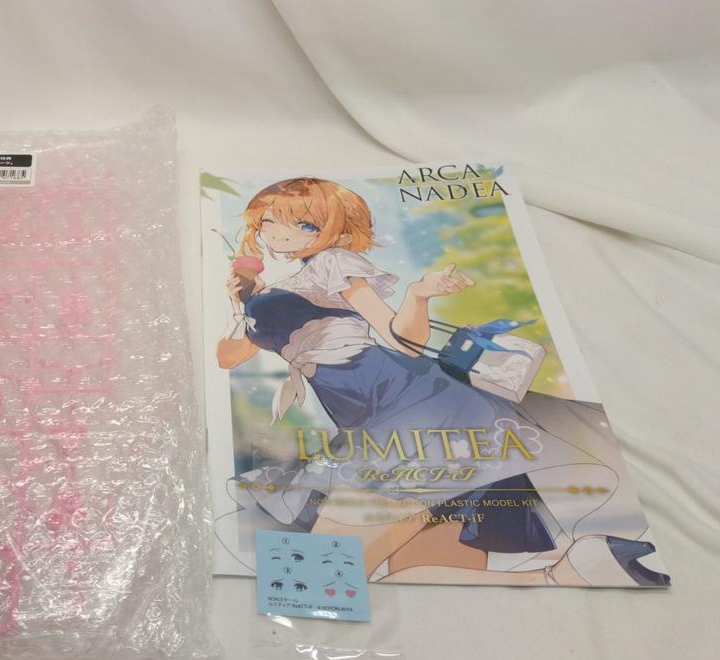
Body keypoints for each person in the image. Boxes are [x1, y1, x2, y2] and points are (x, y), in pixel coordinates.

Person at [218, 177, 667, 586]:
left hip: (412, 406)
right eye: (269, 222)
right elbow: (228, 356)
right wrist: (240, 305)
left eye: (304, 225)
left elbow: (403, 340)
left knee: (316, 577)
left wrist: (418, 296)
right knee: (408, 576)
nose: (279, 233)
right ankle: (564, 572)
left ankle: (568, 571)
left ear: (334, 232)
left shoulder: (331, 262)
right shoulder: (277, 290)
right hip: (381, 414)